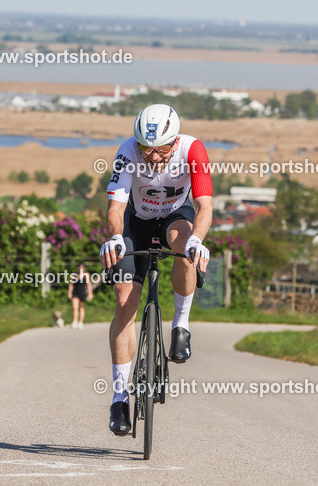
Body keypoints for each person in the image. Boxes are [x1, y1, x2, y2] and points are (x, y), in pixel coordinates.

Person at [98, 104, 212, 436]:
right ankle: (120, 399)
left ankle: (181, 325)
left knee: (185, 249)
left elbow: (205, 205)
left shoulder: (193, 149)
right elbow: (116, 206)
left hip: (176, 217)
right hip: (136, 221)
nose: (153, 156)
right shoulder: (127, 151)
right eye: (146, 149)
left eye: (161, 149)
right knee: (124, 300)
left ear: (175, 141)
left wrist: (197, 240)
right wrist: (115, 237)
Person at [67, 263, 93, 329]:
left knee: (81, 307)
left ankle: (80, 322)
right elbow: (71, 284)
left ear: (84, 268)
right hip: (75, 293)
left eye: (82, 268)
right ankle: (75, 321)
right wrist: (69, 293)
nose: (81, 269)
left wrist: (90, 293)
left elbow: (88, 285)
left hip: (82, 293)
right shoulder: (74, 275)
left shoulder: (86, 275)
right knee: (75, 307)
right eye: (80, 267)